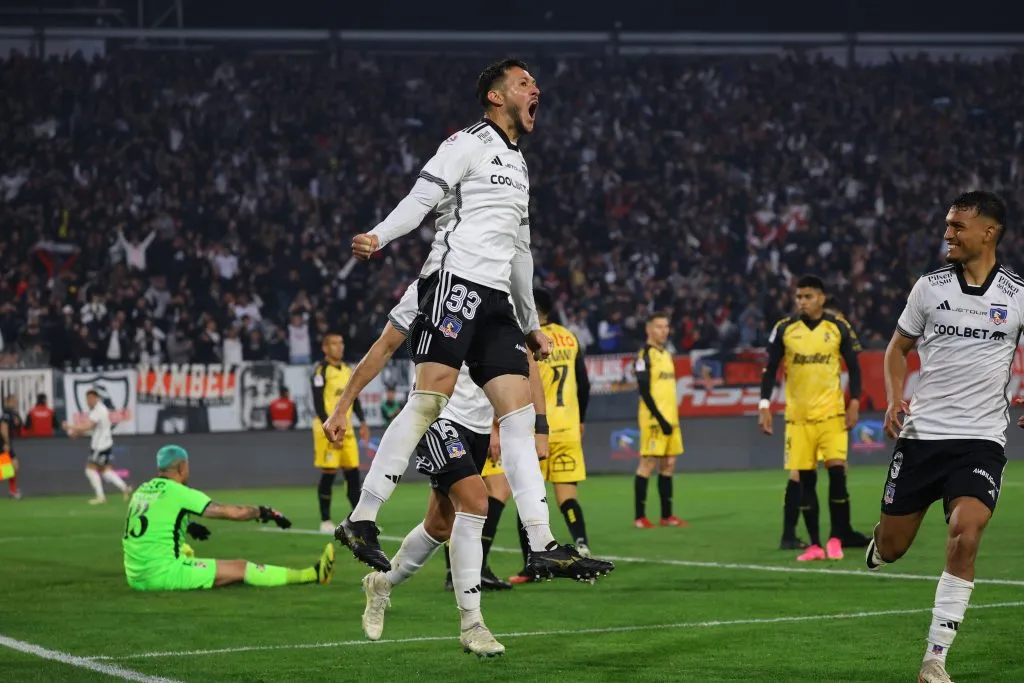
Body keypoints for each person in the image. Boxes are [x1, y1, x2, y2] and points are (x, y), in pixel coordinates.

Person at [326, 58, 612, 586]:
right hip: (453, 284)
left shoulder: (520, 164)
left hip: (497, 302)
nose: (536, 89)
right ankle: (363, 517)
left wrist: (528, 322)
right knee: (429, 399)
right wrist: (380, 236)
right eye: (524, 83)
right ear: (497, 97)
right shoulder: (467, 142)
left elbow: (521, 251)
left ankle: (543, 543)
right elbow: (422, 198)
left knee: (520, 412)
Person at [866, 191, 1024, 683]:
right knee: (893, 548)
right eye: (947, 225)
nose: (947, 234)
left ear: (988, 232)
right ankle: (879, 542)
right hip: (921, 438)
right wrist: (894, 398)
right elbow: (897, 349)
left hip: (980, 440)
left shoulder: (1018, 292)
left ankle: (935, 658)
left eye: (957, 227)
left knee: (966, 531)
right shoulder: (929, 288)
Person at [758, 276, 870, 560]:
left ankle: (835, 537)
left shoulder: (838, 327)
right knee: (805, 480)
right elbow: (770, 369)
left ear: (821, 297)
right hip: (798, 418)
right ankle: (815, 544)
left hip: (831, 415)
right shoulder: (784, 329)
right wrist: (764, 405)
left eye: (807, 296)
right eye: (798, 297)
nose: (802, 302)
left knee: (837, 474)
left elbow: (855, 368)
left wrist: (854, 402)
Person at [122, 444, 335, 591]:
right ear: (182, 467)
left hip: (135, 576)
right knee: (239, 568)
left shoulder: (143, 490)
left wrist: (189, 525)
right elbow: (229, 512)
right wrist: (264, 512)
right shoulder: (180, 492)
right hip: (160, 575)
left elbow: (153, 521)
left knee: (186, 550)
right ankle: (311, 575)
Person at [510, 289, 592, 583]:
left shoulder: (528, 339)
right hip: (569, 427)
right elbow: (584, 383)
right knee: (567, 496)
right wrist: (581, 418)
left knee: (528, 498)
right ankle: (581, 544)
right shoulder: (569, 337)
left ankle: (531, 567)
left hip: (537, 430)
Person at [311, 332, 370, 533]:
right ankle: (325, 520)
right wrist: (329, 428)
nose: (339, 347)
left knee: (353, 473)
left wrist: (362, 421)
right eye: (334, 344)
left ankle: (358, 520)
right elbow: (318, 403)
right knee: (329, 473)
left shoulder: (347, 370)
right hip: (326, 429)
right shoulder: (321, 371)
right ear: (325, 348)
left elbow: (355, 398)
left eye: (341, 343)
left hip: (347, 429)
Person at [633, 312, 686, 528]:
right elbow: (644, 391)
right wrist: (661, 419)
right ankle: (640, 517)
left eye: (666, 327)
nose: (663, 331)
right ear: (649, 329)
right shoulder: (644, 355)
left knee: (669, 465)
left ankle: (666, 516)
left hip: (671, 420)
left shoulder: (667, 354)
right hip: (654, 420)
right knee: (647, 464)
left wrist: (670, 419)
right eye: (658, 327)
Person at [62, 388, 131, 505]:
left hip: (100, 446)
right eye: (87, 399)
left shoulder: (98, 411)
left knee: (89, 470)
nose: (88, 402)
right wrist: (77, 433)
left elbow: (88, 426)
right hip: (106, 443)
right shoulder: (100, 409)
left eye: (89, 399)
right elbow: (92, 428)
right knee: (105, 471)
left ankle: (100, 496)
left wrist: (70, 427)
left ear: (95, 398)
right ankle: (125, 488)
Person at [1, 395, 22, 499]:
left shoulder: (13, 414)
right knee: (8, 469)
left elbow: (19, 425)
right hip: (3, 443)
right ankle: (13, 491)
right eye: (13, 401)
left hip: (5, 443)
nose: (15, 403)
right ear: (8, 402)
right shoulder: (6, 415)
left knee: (12, 466)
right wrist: (6, 443)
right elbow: (3, 428)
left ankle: (12, 491)